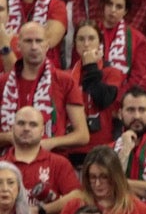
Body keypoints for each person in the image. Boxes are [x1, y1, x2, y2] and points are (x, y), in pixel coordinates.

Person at [0, 22, 89, 153]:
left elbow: (82, 135)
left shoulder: (65, 81)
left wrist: (50, 143)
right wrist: (8, 137)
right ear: (18, 45)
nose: (34, 46)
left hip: (51, 162)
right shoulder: (3, 82)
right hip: (8, 164)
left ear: (47, 45)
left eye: (39, 41)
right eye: (28, 41)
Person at [4, 105, 81, 214]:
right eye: (21, 123)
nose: (26, 128)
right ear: (12, 128)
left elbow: (77, 197)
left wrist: (41, 211)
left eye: (33, 124)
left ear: (42, 131)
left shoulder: (59, 163)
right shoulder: (2, 165)